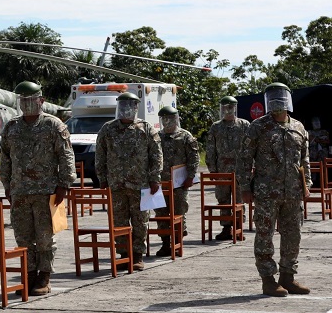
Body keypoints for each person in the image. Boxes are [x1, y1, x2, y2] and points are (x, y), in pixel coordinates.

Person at [0, 81, 75, 296]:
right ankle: (29, 274)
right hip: (20, 191)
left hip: (46, 192)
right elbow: (5, 159)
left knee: (44, 237)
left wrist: (64, 185)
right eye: (23, 101)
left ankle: (44, 275)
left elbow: (66, 156)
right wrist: (7, 185)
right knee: (23, 237)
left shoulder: (54, 125)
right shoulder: (12, 127)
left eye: (31, 100)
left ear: (41, 100)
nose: (27, 105)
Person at [237, 83, 311, 297]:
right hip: (266, 192)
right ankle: (268, 280)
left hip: (292, 192)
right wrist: (245, 187)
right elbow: (244, 159)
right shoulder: (258, 127)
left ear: (288, 100)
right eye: (274, 98)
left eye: (282, 98)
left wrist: (306, 183)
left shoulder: (298, 127)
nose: (278, 103)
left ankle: (287, 277)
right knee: (264, 235)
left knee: (293, 235)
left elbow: (304, 158)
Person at [95, 92, 163, 271]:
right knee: (119, 221)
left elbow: (156, 155)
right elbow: (100, 155)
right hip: (116, 184)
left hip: (140, 185)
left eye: (130, 106)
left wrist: (155, 178)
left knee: (140, 221)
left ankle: (137, 255)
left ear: (136, 108)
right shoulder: (108, 129)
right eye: (123, 106)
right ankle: (124, 255)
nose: (126, 109)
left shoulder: (146, 128)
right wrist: (102, 178)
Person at [154, 106, 200, 257]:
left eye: (170, 119)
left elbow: (193, 158)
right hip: (160, 183)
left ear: (176, 119)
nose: (167, 122)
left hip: (179, 183)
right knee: (161, 213)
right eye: (164, 119)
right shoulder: (156, 137)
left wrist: (190, 176)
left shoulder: (185, 136)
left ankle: (178, 240)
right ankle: (165, 243)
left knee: (179, 211)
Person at [206, 96, 250, 241]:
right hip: (222, 170)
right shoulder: (216, 127)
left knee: (239, 200)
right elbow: (211, 149)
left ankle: (238, 227)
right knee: (223, 199)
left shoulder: (244, 125)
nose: (228, 111)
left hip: (240, 171)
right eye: (225, 108)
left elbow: (251, 147)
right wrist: (212, 169)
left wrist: (251, 167)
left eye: (231, 108)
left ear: (235, 108)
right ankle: (226, 228)